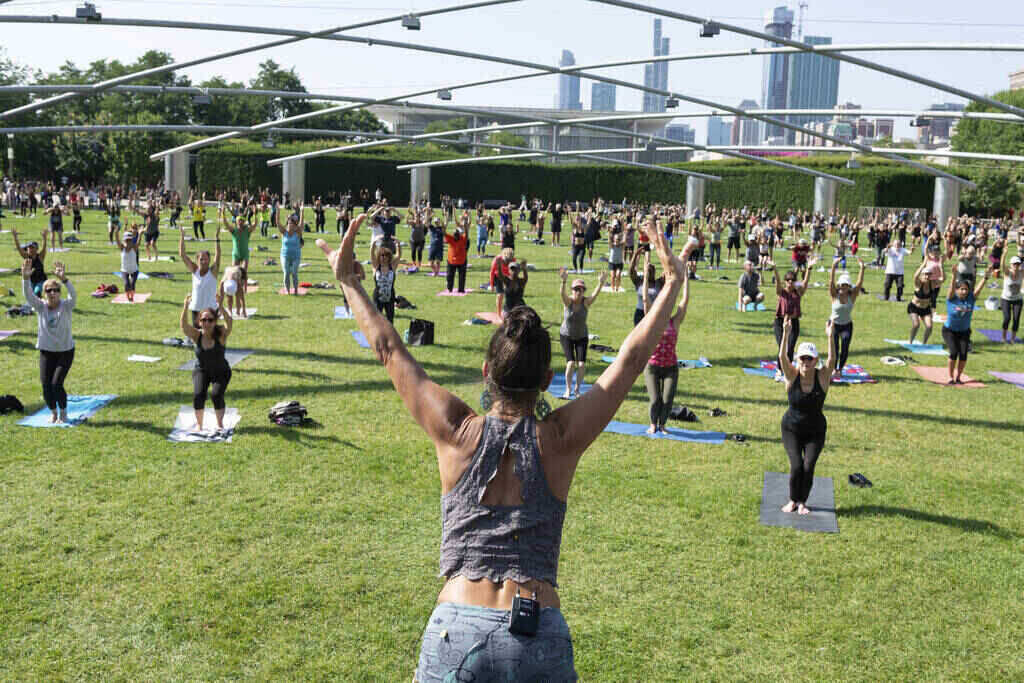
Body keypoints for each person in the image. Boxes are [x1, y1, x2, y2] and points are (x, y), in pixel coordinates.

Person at [315, 210, 685, 681]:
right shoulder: (562, 438)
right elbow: (631, 361)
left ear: (487, 373)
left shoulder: (455, 428)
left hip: (456, 628)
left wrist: (349, 281)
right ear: (548, 381)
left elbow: (389, 348)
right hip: (536, 635)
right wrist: (671, 284)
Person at [778, 317, 836, 515]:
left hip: (815, 431)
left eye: (809, 358)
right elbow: (781, 358)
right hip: (791, 429)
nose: (805, 362)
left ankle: (803, 501)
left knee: (808, 466)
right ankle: (793, 500)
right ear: (797, 360)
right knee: (796, 466)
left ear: (815, 361)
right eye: (802, 358)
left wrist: (830, 337)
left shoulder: (822, 377)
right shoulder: (791, 375)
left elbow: (832, 360)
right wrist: (786, 333)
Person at [23, 259, 76, 423]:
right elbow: (28, 295)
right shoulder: (40, 307)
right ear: (44, 294)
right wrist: (25, 279)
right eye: (48, 291)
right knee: (46, 386)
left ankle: (64, 412)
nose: (52, 293)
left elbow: (73, 295)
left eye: (55, 290)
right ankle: (53, 412)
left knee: (56, 384)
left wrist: (65, 279)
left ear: (59, 292)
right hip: (46, 351)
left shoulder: (66, 306)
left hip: (65, 351)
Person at [644, 259, 691, 433]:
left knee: (667, 399)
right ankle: (652, 424)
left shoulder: (675, 322)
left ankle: (662, 425)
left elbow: (685, 300)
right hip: (652, 367)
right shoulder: (653, 320)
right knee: (655, 400)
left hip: (671, 367)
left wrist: (685, 278)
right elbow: (644, 297)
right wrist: (646, 273)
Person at [180, 294, 233, 432]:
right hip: (201, 370)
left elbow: (229, 322)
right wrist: (186, 307)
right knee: (198, 395)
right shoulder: (197, 335)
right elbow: (184, 327)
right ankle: (199, 424)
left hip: (221, 371)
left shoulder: (221, 334)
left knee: (216, 395)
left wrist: (221, 305)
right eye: (204, 320)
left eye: (210, 320)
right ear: (199, 322)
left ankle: (220, 424)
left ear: (215, 321)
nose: (207, 323)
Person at [557, 268, 607, 399]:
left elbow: (595, 294)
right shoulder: (568, 302)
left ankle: (577, 389)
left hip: (582, 336)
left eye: (581, 289)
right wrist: (563, 281)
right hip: (566, 335)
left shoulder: (586, 302)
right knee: (570, 363)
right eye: (576, 289)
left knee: (581, 364)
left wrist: (601, 283)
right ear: (572, 290)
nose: (578, 292)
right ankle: (567, 390)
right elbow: (561, 293)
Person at [942, 268, 991, 384]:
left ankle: (958, 377)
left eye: (966, 289)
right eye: (962, 289)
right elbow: (951, 287)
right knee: (954, 352)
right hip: (949, 331)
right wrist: (954, 276)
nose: (964, 291)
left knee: (963, 354)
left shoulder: (971, 299)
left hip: (964, 331)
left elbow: (979, 289)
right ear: (957, 290)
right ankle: (950, 376)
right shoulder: (951, 299)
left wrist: (985, 277)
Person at [772, 260, 813, 374]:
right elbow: (778, 283)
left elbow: (805, 283)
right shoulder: (781, 292)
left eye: (793, 280)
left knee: (790, 347)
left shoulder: (798, 292)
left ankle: (787, 368)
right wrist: (775, 269)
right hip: (780, 322)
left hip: (793, 322)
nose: (790, 282)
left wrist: (809, 269)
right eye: (788, 280)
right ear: (785, 281)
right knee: (782, 346)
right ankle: (780, 369)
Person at [828, 258, 864, 377]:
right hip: (834, 324)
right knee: (835, 348)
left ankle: (840, 369)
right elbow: (831, 281)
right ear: (839, 285)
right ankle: (834, 369)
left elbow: (859, 283)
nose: (843, 287)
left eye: (846, 285)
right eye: (842, 285)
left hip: (846, 325)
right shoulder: (834, 295)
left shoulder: (852, 296)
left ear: (849, 286)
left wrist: (862, 268)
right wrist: (833, 266)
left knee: (844, 346)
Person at [179, 222, 222, 324]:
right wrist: (182, 236)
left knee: (211, 338)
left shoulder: (213, 272)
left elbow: (218, 255)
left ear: (209, 260)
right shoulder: (195, 270)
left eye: (206, 259)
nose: (204, 261)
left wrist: (217, 238)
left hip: (211, 310)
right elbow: (182, 255)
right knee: (197, 337)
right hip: (196, 309)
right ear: (197, 260)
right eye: (201, 259)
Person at [907, 257, 939, 345]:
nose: (927, 276)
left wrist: (941, 266)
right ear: (922, 275)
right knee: (916, 325)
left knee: (929, 326)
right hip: (914, 308)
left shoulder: (932, 284)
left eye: (929, 275)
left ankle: (924, 343)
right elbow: (915, 276)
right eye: (925, 274)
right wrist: (923, 264)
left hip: (925, 309)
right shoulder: (918, 284)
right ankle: (910, 341)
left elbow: (943, 279)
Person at [12, 228, 47, 296]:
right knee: (29, 295)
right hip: (30, 280)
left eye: (32, 247)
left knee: (37, 292)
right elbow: (19, 248)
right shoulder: (26, 257)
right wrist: (15, 237)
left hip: (40, 281)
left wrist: (44, 238)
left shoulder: (40, 257)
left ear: (36, 249)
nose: (30, 249)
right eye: (29, 247)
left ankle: (40, 304)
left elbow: (44, 248)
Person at [277, 209, 303, 295]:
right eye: (288, 224)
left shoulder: (298, 232)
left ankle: (295, 290)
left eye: (291, 224)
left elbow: (301, 224)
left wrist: (302, 211)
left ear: (294, 225)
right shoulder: (284, 232)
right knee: (286, 272)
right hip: (284, 255)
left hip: (296, 256)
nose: (290, 225)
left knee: (294, 273)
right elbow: (277, 222)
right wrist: (278, 211)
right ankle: (287, 291)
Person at [999, 252, 1023, 343]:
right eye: (1014, 264)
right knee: (1007, 318)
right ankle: (1004, 337)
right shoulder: (1007, 272)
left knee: (1016, 319)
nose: (1016, 266)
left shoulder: (1022, 272)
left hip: (1018, 299)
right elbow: (1002, 264)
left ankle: (1013, 339)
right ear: (1011, 264)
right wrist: (1004, 254)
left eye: (1018, 264)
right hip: (1006, 299)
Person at [372, 245, 397, 323]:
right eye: (382, 255)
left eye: (386, 255)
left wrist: (398, 245)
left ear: (389, 257)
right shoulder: (376, 267)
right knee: (376, 319)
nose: (384, 257)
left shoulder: (392, 267)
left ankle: (390, 335)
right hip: (378, 297)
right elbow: (372, 254)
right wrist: (373, 245)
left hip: (390, 297)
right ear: (379, 256)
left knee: (390, 319)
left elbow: (398, 255)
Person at [444, 217, 469, 294]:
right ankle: (450, 289)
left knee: (460, 276)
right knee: (450, 276)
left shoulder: (462, 238)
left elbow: (466, 233)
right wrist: (446, 223)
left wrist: (465, 226)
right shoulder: (451, 238)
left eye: (456, 235)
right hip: (453, 261)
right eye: (454, 235)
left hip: (460, 261)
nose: (455, 236)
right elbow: (443, 232)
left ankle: (460, 289)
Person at [118, 225, 141, 303]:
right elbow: (117, 241)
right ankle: (128, 297)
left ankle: (132, 296)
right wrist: (116, 233)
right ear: (124, 241)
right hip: (125, 270)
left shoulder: (134, 248)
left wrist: (140, 234)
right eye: (127, 240)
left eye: (129, 240)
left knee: (132, 284)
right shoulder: (122, 248)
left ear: (132, 241)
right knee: (126, 283)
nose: (128, 242)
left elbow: (139, 242)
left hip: (134, 270)